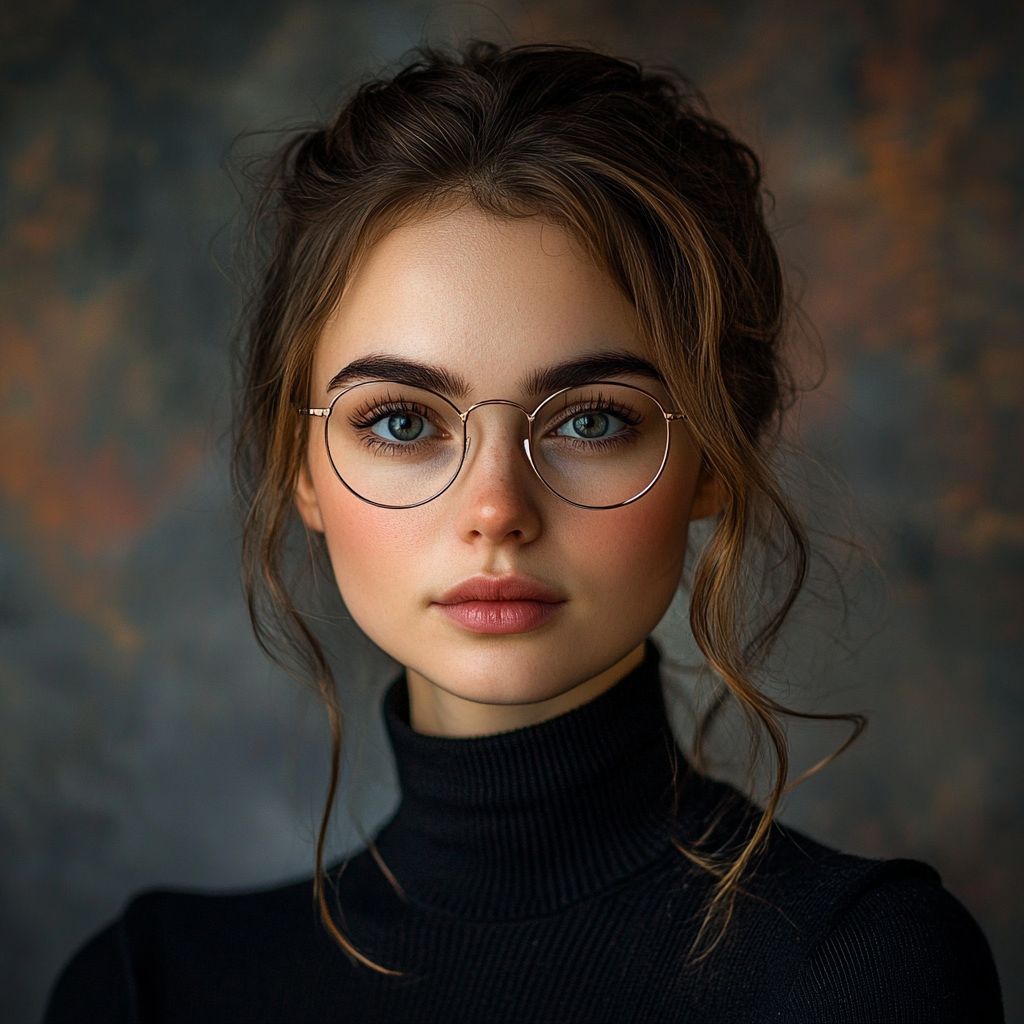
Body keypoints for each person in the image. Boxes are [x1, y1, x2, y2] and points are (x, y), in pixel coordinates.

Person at [45, 42, 1002, 1023]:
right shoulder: (147, 988)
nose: (496, 508)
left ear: (713, 455)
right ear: (302, 470)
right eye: (403, 422)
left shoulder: (863, 971)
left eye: (591, 419)